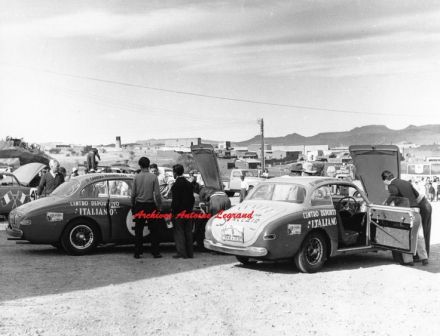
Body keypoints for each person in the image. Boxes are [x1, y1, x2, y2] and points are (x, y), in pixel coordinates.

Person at [381, 170, 430, 265]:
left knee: (405, 235)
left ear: (386, 179)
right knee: (419, 234)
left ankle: (408, 261)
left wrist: (386, 203)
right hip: (416, 209)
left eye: (384, 181)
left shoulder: (391, 185)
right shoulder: (406, 182)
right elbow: (417, 196)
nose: (385, 184)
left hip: (406, 211)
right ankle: (424, 258)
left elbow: (394, 193)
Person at [131, 157, 162, 259]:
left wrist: (133, 205)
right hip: (150, 205)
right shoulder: (153, 177)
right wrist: (159, 206)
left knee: (138, 230)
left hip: (139, 205)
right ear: (148, 165)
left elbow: (133, 194)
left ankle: (137, 252)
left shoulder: (136, 177)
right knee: (154, 230)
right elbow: (157, 194)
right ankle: (155, 252)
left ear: (140, 165)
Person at [171, 164, 195, 259]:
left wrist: (174, 212)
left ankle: (182, 253)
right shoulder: (189, 184)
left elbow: (175, 201)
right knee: (188, 233)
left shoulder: (176, 185)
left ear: (175, 173)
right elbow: (192, 199)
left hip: (179, 213)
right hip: (188, 212)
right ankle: (190, 253)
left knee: (179, 233)